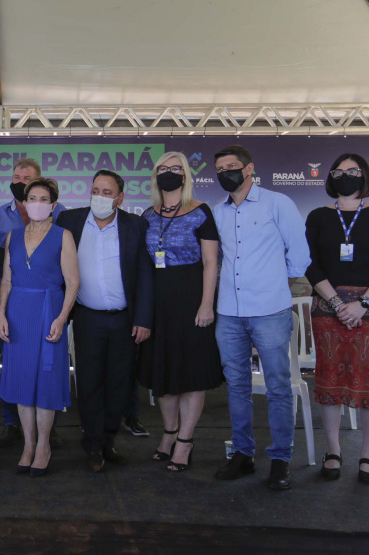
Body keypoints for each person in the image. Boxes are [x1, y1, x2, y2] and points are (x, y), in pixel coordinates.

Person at [211, 145, 311, 490]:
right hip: (229, 314)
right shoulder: (217, 212)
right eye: (220, 168)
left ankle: (281, 457)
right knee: (237, 387)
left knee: (278, 388)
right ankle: (243, 453)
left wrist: (273, 285)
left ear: (249, 168)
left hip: (270, 312)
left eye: (232, 166)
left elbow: (299, 256)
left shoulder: (277, 203)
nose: (226, 172)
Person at [305, 153, 369, 484]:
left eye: (353, 171)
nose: (346, 176)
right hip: (327, 308)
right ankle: (333, 451)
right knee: (328, 377)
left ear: (365, 175)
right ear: (330, 178)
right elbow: (310, 263)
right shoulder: (318, 216)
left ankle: (367, 453)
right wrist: (334, 301)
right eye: (340, 172)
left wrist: (361, 303)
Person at [55, 170, 153, 473]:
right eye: (95, 189)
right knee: (88, 382)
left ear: (120, 198)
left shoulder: (136, 226)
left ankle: (109, 440)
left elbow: (146, 276)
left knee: (119, 384)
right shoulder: (69, 221)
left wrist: (143, 318)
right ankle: (93, 443)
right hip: (87, 318)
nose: (99, 196)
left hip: (125, 320)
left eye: (107, 192)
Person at [137, 152, 222, 472]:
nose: (169, 173)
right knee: (164, 373)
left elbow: (211, 262)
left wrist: (206, 304)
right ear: (155, 175)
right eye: (163, 168)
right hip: (158, 301)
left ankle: (185, 441)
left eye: (176, 168)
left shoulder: (201, 212)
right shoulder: (147, 214)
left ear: (185, 176)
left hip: (191, 298)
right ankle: (169, 433)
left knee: (191, 373)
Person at [0, 178, 79, 476]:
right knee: (21, 381)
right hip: (18, 313)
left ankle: (43, 445)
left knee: (45, 381)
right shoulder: (12, 237)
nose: (37, 203)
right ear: (24, 201)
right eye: (32, 197)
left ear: (53, 205)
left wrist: (61, 318)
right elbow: (6, 279)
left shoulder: (63, 236)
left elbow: (73, 283)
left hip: (48, 313)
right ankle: (28, 445)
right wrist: (1, 314)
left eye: (44, 199)